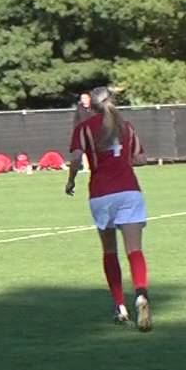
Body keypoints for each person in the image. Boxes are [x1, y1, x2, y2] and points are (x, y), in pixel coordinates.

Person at [66, 86, 152, 332]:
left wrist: (71, 181)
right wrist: (123, 161)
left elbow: (76, 159)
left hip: (101, 193)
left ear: (91, 105)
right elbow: (141, 159)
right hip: (129, 191)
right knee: (134, 250)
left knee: (110, 251)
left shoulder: (84, 128)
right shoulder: (127, 127)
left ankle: (120, 307)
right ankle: (141, 293)